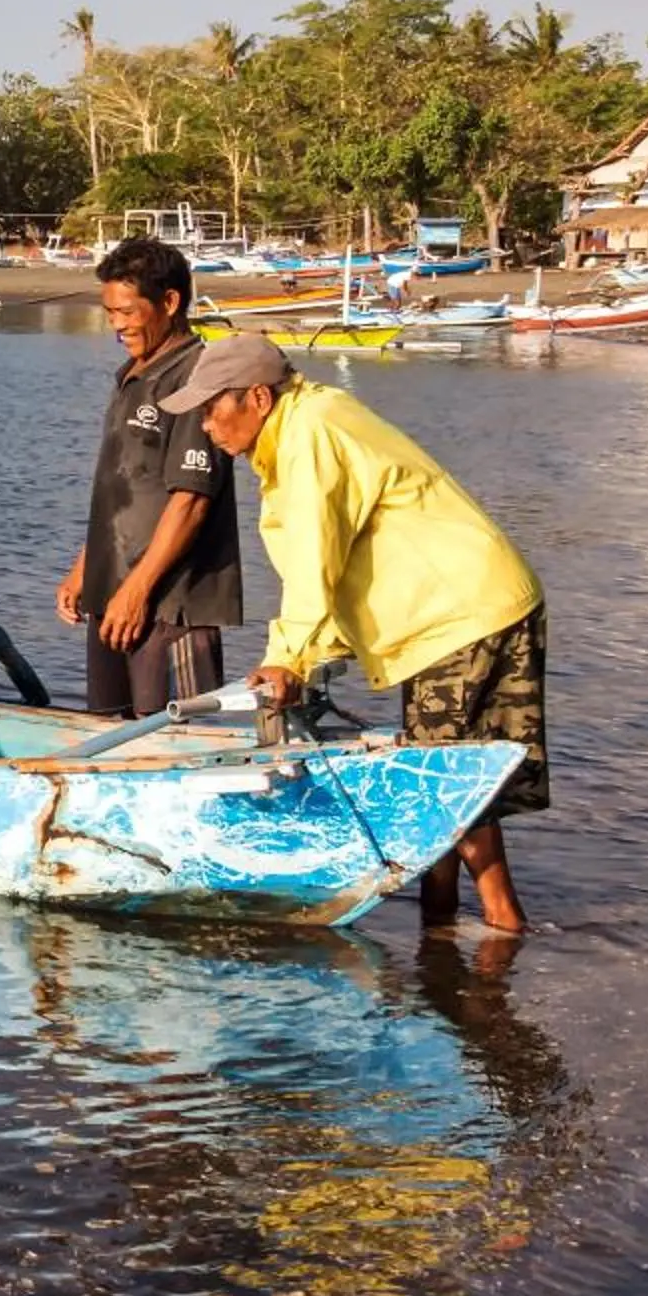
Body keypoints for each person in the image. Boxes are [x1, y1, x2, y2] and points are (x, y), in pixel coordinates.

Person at [162, 332, 547, 932]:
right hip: (469, 607)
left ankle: (503, 925)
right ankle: (440, 928)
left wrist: (288, 660)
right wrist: (309, 655)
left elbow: (316, 560)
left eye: (213, 409)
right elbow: (341, 564)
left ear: (258, 398)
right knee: (444, 776)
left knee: (444, 783)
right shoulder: (309, 421)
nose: (207, 426)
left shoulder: (309, 433)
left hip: (458, 615)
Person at [55, 237, 242, 716]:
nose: (116, 325)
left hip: (169, 605)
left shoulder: (197, 380)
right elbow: (127, 488)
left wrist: (138, 591)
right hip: (112, 594)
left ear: (170, 302)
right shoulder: (133, 375)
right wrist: (86, 565)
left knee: (174, 738)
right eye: (109, 312)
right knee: (107, 729)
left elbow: (191, 501)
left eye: (127, 312)